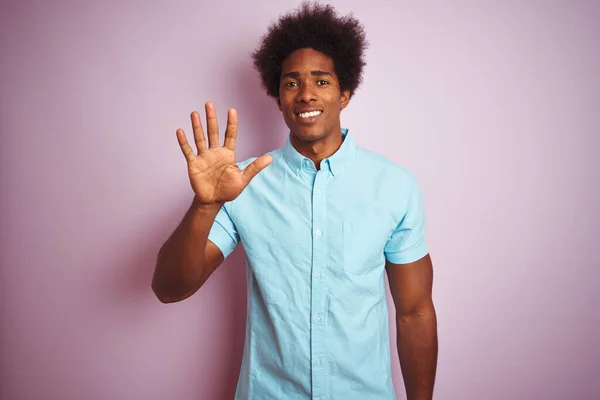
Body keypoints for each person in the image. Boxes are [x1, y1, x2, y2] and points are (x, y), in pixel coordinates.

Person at [152, 3, 437, 399]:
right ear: (278, 95)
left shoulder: (393, 186)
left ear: (346, 93)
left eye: (321, 81)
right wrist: (205, 205)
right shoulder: (241, 184)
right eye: (291, 83)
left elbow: (415, 312)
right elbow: (170, 288)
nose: (305, 94)